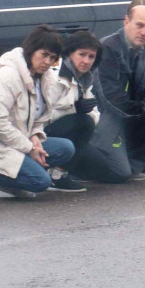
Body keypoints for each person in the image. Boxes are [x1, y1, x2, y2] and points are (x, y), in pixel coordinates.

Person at [0, 25, 75, 197]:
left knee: (66, 148)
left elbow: (39, 117)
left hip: (19, 140)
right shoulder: (7, 76)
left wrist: (35, 136)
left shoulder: (45, 78)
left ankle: (16, 175)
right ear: (31, 51)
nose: (48, 62)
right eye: (44, 55)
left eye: (53, 58)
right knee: (41, 182)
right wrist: (29, 148)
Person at [73, 0, 145, 182]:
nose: (143, 32)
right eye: (139, 25)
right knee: (120, 173)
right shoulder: (108, 47)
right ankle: (81, 166)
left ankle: (131, 165)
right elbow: (109, 98)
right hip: (107, 118)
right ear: (126, 21)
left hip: (129, 115)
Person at [42, 30, 101, 192]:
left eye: (91, 56)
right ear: (70, 54)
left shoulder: (86, 78)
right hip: (42, 133)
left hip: (71, 132)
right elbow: (41, 115)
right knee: (84, 122)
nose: (86, 61)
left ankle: (65, 168)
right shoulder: (55, 76)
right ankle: (57, 175)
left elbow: (95, 115)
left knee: (106, 170)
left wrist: (83, 111)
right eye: (81, 54)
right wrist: (75, 109)